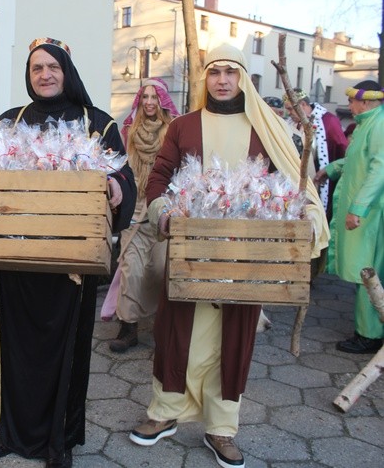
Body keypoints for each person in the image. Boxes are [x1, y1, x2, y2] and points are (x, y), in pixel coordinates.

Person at [128, 44, 328, 468]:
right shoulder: (182, 126)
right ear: (206, 78)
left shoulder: (267, 126)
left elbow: (292, 179)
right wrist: (164, 215)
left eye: (230, 72)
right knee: (176, 330)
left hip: (245, 255)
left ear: (243, 79)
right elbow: (160, 177)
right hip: (191, 250)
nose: (222, 79)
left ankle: (222, 428)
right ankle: (164, 414)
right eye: (215, 71)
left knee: (234, 336)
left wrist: (305, 211)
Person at [0, 37, 136, 468]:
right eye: (37, 68)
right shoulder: (9, 122)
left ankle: (60, 439)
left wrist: (114, 186)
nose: (45, 74)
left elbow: (125, 177)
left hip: (73, 258)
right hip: (18, 255)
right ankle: (9, 430)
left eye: (53, 66)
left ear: (67, 71)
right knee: (14, 345)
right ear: (29, 76)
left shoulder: (98, 123)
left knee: (67, 348)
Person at [101, 78, 179, 351]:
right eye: (144, 96)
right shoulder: (127, 130)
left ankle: (164, 326)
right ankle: (128, 327)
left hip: (163, 207)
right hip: (134, 207)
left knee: (160, 269)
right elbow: (119, 166)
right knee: (130, 267)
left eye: (154, 97)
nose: (149, 102)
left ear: (162, 102)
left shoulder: (174, 131)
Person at [314, 80, 384, 354]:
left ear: (365, 102)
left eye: (353, 102)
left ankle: (370, 334)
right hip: (368, 214)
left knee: (368, 272)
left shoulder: (378, 125)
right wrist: (331, 168)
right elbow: (357, 160)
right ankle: (368, 329)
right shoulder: (370, 123)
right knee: (364, 271)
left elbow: (379, 170)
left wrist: (358, 208)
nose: (350, 107)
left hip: (371, 216)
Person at [283, 88, 348, 220]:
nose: (288, 113)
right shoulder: (290, 124)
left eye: (290, 109)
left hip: (321, 179)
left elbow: (341, 148)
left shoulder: (328, 121)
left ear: (302, 105)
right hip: (296, 181)